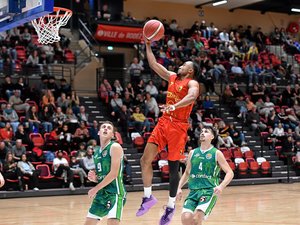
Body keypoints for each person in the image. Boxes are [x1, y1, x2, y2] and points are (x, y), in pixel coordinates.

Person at [136, 38, 200, 225]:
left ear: (190, 71)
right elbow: (154, 64)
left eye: (183, 65)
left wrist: (175, 106)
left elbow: (192, 96)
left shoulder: (192, 83)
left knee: (173, 168)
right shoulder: (172, 77)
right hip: (164, 122)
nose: (179, 66)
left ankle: (171, 207)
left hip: (178, 127)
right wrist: (148, 45)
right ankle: (148, 197)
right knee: (144, 160)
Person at [177, 126, 234, 225]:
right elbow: (187, 173)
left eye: (206, 132)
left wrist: (221, 186)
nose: (202, 133)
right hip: (193, 191)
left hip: (208, 191)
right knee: (186, 219)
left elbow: (230, 172)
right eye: (201, 131)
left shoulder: (216, 153)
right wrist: (178, 187)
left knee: (196, 219)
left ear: (212, 137)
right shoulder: (193, 152)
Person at [84, 121, 126, 225]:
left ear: (112, 135)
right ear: (98, 132)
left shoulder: (114, 147)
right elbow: (103, 176)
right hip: (101, 194)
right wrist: (95, 179)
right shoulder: (97, 152)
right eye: (103, 127)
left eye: (109, 128)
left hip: (115, 193)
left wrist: (95, 188)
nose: (106, 129)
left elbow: (113, 174)